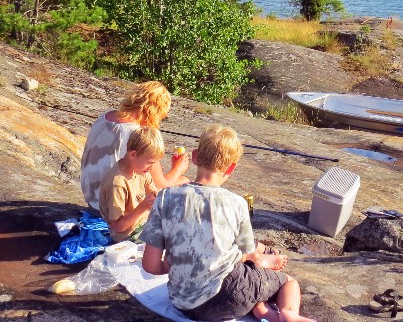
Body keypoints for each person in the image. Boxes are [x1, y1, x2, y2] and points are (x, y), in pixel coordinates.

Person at [141, 125, 316, 322]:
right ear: (231, 168)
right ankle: (289, 313)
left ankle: (262, 310)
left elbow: (150, 265)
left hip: (183, 304)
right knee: (288, 283)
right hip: (232, 295)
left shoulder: (165, 198)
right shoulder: (237, 203)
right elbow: (245, 255)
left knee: (250, 280)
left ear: (195, 156)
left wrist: (176, 266)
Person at [80, 81, 189, 212]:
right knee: (184, 183)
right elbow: (162, 184)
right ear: (156, 111)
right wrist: (178, 168)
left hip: (92, 199)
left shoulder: (104, 117)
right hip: (113, 207)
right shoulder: (139, 135)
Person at [98, 127, 163, 242]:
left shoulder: (140, 170)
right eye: (150, 162)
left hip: (144, 222)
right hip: (127, 234)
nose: (152, 168)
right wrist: (143, 207)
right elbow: (117, 227)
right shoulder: (117, 183)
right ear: (133, 155)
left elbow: (153, 193)